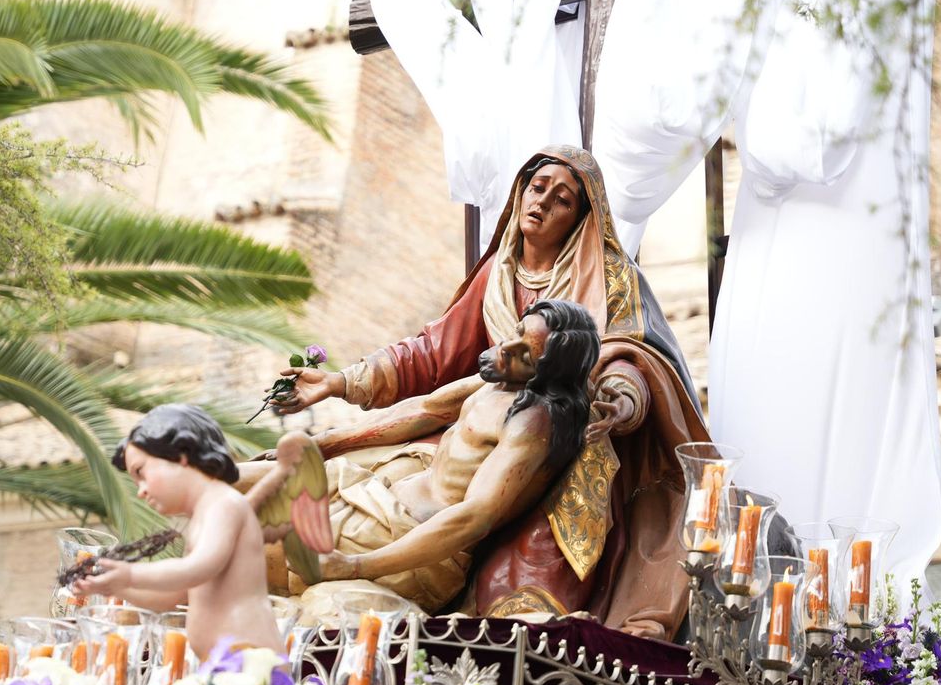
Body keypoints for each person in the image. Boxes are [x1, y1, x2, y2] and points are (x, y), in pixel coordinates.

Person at [273, 145, 708, 639]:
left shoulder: (611, 276)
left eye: (561, 199)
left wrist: (619, 399)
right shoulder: (498, 273)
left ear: (582, 217)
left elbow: (633, 353)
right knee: (367, 468)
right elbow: (433, 354)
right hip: (478, 426)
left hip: (563, 441)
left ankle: (530, 618)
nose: (541, 202)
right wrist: (340, 383)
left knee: (539, 537)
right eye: (536, 187)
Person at [250, 299, 600, 613]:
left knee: (251, 538)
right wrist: (328, 439)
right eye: (518, 332)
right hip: (375, 498)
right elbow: (426, 411)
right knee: (250, 479)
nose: (507, 348)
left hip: (402, 545)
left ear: (546, 375)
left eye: (526, 355)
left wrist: (356, 566)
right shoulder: (497, 383)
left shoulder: (532, 423)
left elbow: (474, 516)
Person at [74, 405, 284, 658]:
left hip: (249, 659)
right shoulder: (204, 514)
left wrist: (130, 574)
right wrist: (116, 588)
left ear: (180, 454)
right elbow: (176, 597)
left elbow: (199, 567)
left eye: (141, 473)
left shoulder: (224, 504)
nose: (140, 491)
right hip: (223, 665)